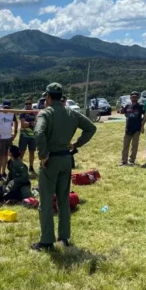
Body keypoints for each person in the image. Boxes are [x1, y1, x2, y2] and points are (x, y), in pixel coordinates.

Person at [32, 82, 96, 251]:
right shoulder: (72, 113)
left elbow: (38, 133)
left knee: (45, 201)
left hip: (51, 161)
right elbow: (91, 128)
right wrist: (76, 144)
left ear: (47, 96)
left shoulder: (45, 114)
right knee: (63, 200)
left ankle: (46, 241)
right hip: (66, 160)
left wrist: (43, 155)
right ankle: (64, 237)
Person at [0, 100, 18, 182]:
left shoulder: (12, 113)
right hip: (1, 138)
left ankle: (3, 172)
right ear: (2, 106)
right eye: (4, 107)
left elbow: (16, 122)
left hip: (9, 138)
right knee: (0, 156)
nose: (6, 109)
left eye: (7, 107)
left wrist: (15, 133)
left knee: (6, 155)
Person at [120, 91, 143, 166]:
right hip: (128, 128)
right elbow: (125, 114)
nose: (134, 98)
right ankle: (124, 160)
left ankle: (132, 160)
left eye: (135, 97)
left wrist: (142, 125)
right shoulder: (127, 106)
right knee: (125, 145)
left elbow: (145, 114)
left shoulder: (140, 106)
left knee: (134, 145)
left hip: (137, 128)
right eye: (132, 97)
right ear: (130, 98)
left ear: (138, 98)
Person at [19, 96, 37, 174]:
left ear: (32, 103)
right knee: (22, 152)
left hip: (32, 136)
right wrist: (31, 123)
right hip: (24, 135)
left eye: (29, 103)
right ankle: (19, 167)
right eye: (26, 103)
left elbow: (37, 122)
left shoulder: (34, 111)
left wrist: (29, 123)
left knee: (32, 152)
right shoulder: (23, 112)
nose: (28, 105)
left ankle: (31, 167)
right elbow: (23, 124)